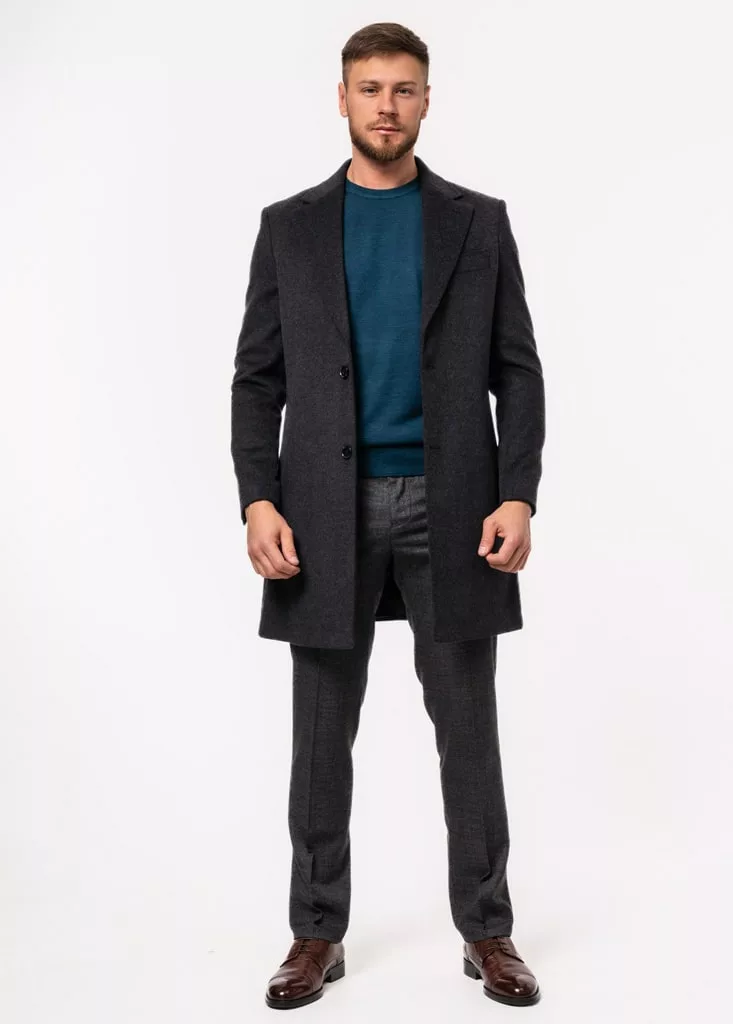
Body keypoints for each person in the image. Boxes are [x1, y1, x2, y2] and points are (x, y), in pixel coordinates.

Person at [230, 21, 545, 1010]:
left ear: (427, 100)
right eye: (369, 88)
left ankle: (487, 931)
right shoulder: (288, 227)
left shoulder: (477, 222)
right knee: (321, 734)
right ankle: (315, 932)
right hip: (324, 512)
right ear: (342, 98)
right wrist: (258, 499)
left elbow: (518, 371)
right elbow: (257, 379)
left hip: (457, 510)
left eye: (404, 89)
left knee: (469, 729)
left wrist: (518, 492)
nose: (386, 105)